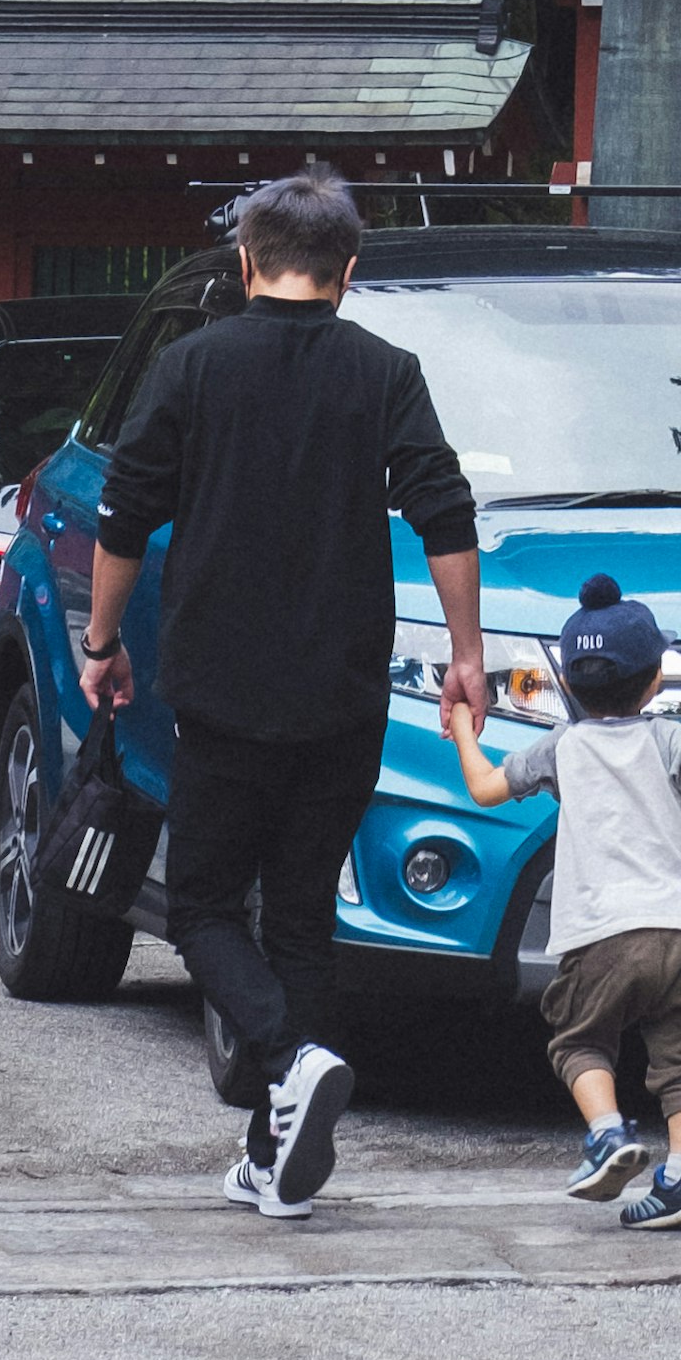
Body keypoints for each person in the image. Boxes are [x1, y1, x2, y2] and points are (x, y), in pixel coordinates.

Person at [85, 167, 485, 1219]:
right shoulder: (386, 372)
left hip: (221, 684)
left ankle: (286, 1058)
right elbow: (445, 511)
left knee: (208, 904)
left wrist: (100, 640)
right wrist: (467, 652)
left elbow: (125, 516)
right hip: (345, 688)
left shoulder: (192, 366)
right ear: (347, 273)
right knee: (303, 915)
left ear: (247, 263)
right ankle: (276, 1155)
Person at [447, 572, 681, 1227]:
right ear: (655, 681)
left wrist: (464, 727)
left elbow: (483, 789)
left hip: (602, 936)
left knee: (580, 1040)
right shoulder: (671, 739)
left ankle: (609, 1133)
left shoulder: (562, 747)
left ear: (570, 684)